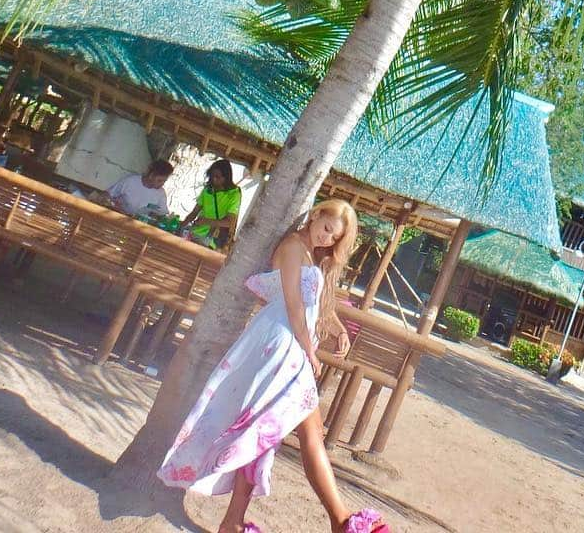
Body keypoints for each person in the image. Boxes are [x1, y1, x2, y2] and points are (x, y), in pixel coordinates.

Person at [157, 199, 389, 533]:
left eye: (335, 238)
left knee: (269, 433)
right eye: (326, 228)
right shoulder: (294, 246)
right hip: (280, 343)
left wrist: (336, 329)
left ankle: (236, 522)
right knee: (302, 434)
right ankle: (340, 522)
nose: (327, 239)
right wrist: (309, 351)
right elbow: (293, 304)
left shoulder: (313, 255)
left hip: (291, 343)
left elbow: (314, 306)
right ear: (316, 215)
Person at [182, 159, 242, 248]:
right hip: (194, 233)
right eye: (212, 176)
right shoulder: (208, 190)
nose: (214, 180)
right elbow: (194, 212)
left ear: (226, 177)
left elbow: (229, 223)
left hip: (212, 240)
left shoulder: (234, 194)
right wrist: (181, 227)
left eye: (217, 177)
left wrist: (206, 221)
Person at [104, 159, 173, 216]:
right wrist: (114, 205)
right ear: (151, 175)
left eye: (164, 181)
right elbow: (107, 194)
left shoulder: (161, 193)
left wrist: (155, 215)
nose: (162, 184)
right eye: (159, 180)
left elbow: (163, 213)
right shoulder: (131, 181)